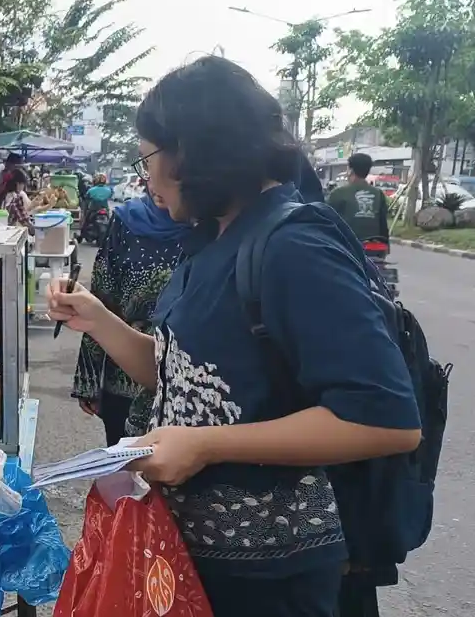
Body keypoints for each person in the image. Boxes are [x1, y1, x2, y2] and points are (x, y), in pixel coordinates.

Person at [47, 56, 420, 617]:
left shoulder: (295, 247)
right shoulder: (211, 239)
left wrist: (204, 446)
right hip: (195, 558)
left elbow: (385, 420)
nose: (145, 175)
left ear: (195, 152)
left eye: (149, 157)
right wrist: (98, 319)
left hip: (269, 578)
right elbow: (184, 375)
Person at [71, 192, 190, 446]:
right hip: (123, 373)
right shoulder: (126, 222)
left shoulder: (208, 226)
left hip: (185, 385)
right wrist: (89, 381)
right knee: (125, 471)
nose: (156, 179)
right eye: (147, 164)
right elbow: (102, 299)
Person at [327, 153, 390, 243]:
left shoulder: (337, 193)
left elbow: (328, 221)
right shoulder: (378, 194)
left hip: (346, 245)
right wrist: (385, 244)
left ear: (350, 170)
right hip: (374, 244)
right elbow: (383, 223)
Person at [0, 168, 46, 233]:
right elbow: (25, 221)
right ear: (18, 184)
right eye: (23, 184)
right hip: (9, 235)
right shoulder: (15, 198)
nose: (23, 187)